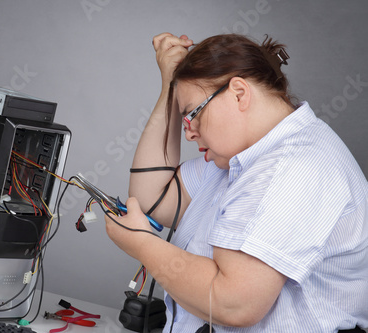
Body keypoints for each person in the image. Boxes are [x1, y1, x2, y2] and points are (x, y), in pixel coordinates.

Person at [104, 32, 368, 332]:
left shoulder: (291, 168)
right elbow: (151, 199)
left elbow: (234, 303)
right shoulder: (237, 158)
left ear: (239, 93)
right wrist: (171, 85)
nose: (188, 132)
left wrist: (142, 244)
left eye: (192, 114)